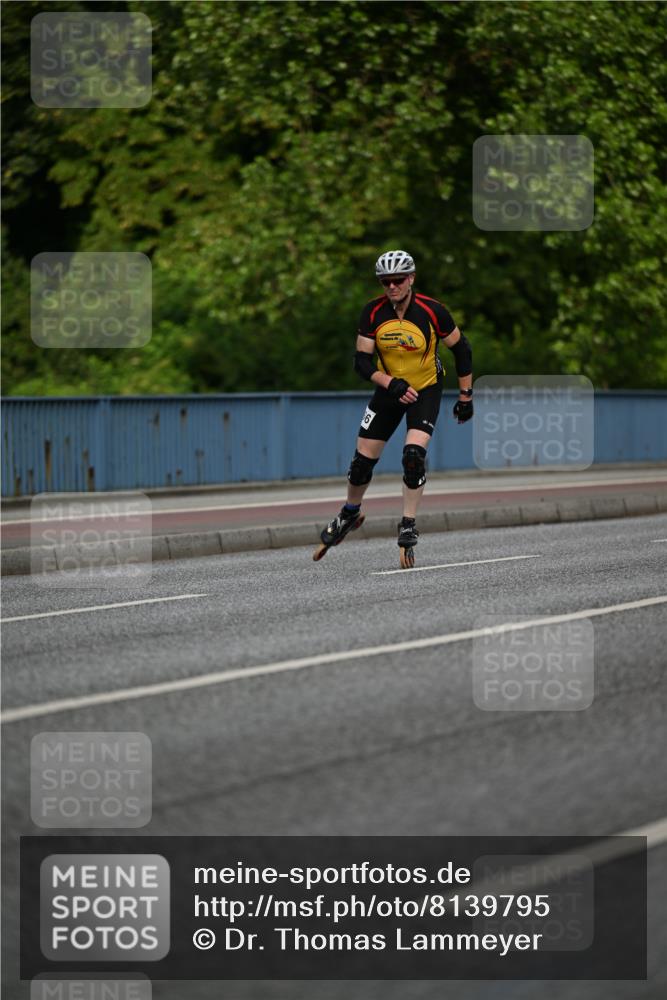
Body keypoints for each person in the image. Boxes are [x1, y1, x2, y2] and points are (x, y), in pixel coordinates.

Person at [318, 249, 473, 560]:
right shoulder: (373, 313)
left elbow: (462, 349)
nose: (391, 286)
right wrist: (389, 383)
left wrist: (465, 396)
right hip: (390, 389)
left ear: (411, 279)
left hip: (425, 389)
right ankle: (350, 512)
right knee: (361, 462)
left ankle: (408, 523)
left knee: (413, 456)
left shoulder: (433, 311)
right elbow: (361, 362)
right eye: (385, 281)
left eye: (397, 280)